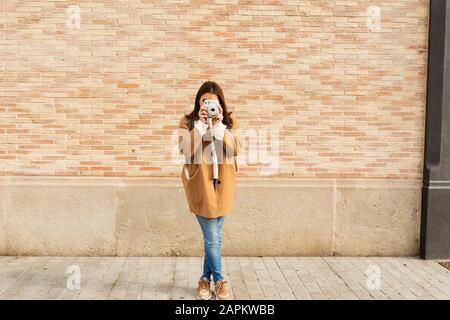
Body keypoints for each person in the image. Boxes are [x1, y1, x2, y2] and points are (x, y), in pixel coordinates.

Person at [177, 81, 241, 300]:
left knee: (214, 237)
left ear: (220, 104)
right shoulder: (187, 122)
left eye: (213, 102)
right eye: (205, 102)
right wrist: (201, 127)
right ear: (198, 102)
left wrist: (219, 127)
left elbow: (236, 150)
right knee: (213, 238)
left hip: (223, 187)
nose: (209, 106)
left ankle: (205, 280)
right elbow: (185, 150)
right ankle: (220, 280)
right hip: (200, 187)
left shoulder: (229, 123)